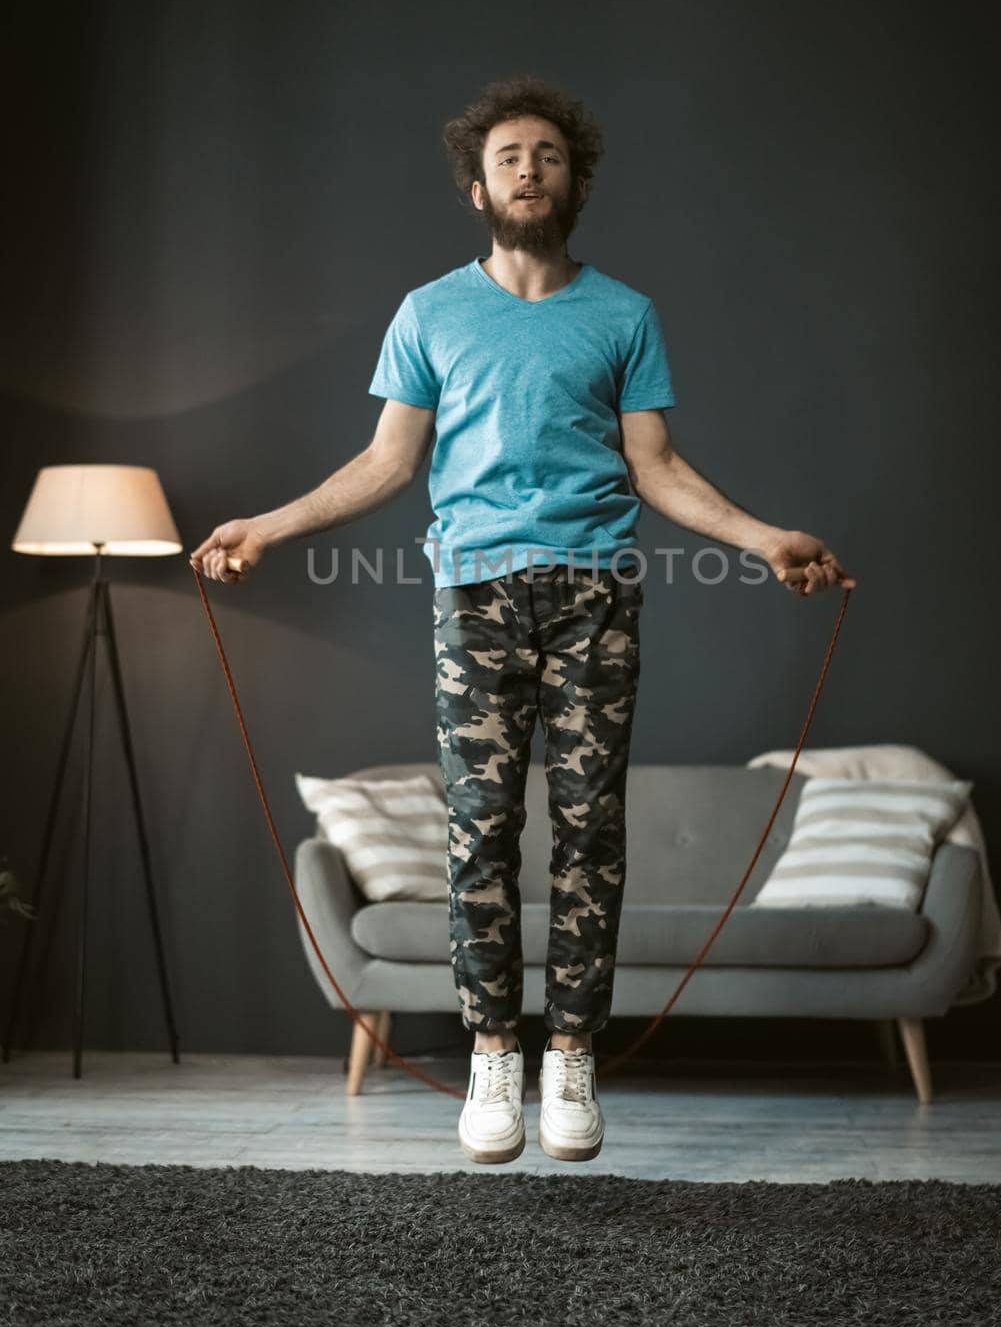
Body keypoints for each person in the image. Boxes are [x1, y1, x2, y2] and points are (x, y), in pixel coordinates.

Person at [190, 73, 855, 1166]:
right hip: (474, 599)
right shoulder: (430, 313)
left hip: (595, 596)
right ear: (477, 184)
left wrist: (761, 537)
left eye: (547, 153)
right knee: (478, 833)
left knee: (591, 834)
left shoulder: (623, 314)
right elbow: (385, 462)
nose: (528, 169)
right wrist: (265, 525)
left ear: (572, 178)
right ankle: (495, 1052)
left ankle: (571, 1056)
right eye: (508, 155)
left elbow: (659, 468)